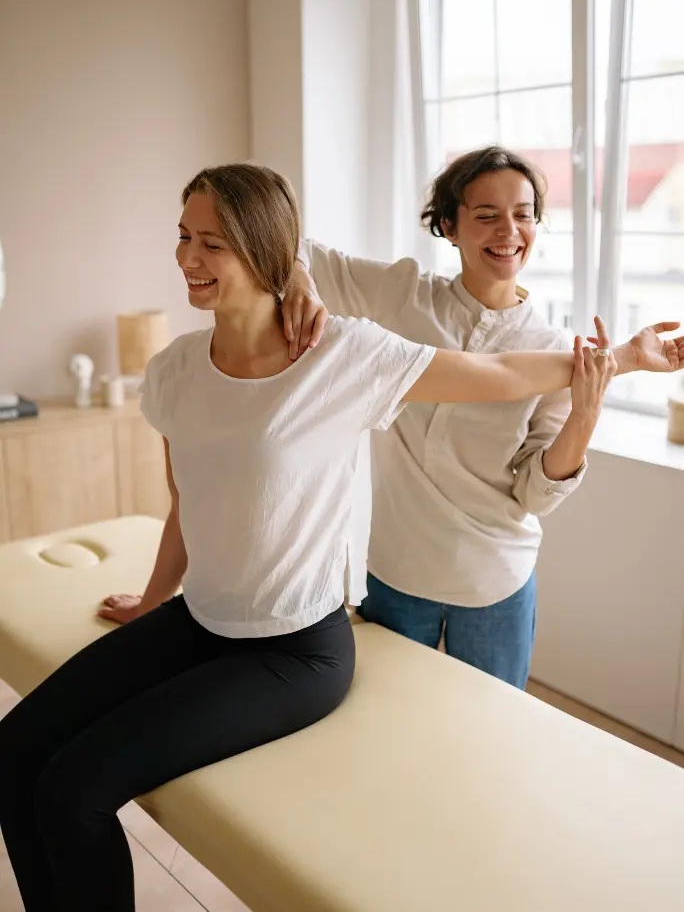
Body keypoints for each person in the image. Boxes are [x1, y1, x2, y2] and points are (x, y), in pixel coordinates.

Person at [0, 161, 647, 912]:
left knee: (75, 790)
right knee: (14, 757)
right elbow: (187, 503)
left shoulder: (340, 356)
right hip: (200, 618)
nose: (187, 259)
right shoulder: (176, 368)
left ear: (266, 250)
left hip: (295, 650)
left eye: (213, 243)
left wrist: (621, 359)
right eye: (183, 237)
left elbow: (497, 372)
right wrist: (153, 599)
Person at [282, 145, 684, 688]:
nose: (508, 231)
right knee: (391, 730)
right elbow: (296, 249)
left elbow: (534, 496)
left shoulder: (554, 349)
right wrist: (303, 283)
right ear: (449, 225)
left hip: (495, 582)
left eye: (523, 214)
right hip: (399, 572)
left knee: (491, 745)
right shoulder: (402, 296)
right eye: (487, 215)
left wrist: (585, 416)